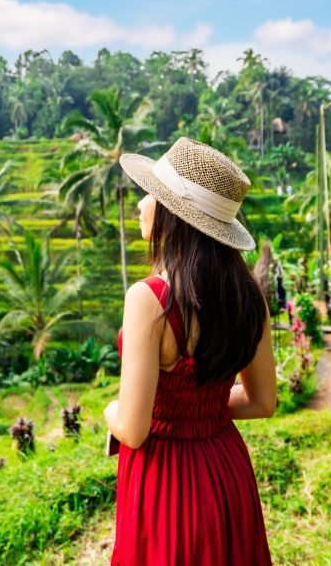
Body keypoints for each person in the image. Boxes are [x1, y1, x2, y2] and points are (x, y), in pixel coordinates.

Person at [105, 137, 276, 565]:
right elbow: (262, 402)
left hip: (165, 481)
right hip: (225, 473)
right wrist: (203, 409)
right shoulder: (248, 296)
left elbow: (133, 429)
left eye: (152, 194)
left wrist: (112, 410)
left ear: (172, 215)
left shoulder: (150, 299)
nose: (142, 204)